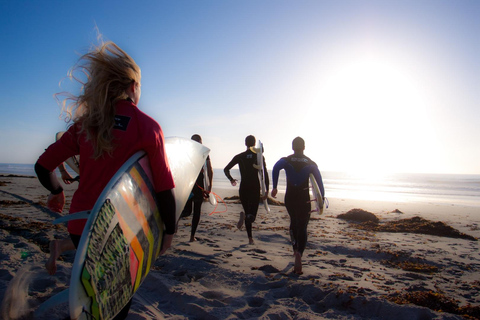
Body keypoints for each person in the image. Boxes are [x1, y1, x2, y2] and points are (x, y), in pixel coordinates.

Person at [35, 40, 176, 320]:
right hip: (120, 229)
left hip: (80, 226)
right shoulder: (147, 127)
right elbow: (163, 187)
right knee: (116, 304)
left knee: (96, 297)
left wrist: (57, 191)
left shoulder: (85, 125)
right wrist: (168, 231)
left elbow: (42, 166)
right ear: (133, 87)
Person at [271, 137, 325, 275]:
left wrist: (275, 187)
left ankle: (295, 249)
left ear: (292, 147)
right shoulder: (311, 163)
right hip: (303, 199)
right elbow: (319, 182)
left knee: (293, 222)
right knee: (303, 226)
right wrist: (321, 199)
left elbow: (276, 168)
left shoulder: (286, 160)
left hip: (290, 197)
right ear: (304, 147)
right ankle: (300, 253)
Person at [224, 135, 269, 245]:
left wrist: (231, 180)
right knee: (252, 216)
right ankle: (249, 234)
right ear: (255, 144)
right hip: (254, 188)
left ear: (245, 143)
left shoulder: (240, 156)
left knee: (248, 212)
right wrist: (266, 190)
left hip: (243, 188)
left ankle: (250, 238)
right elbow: (264, 173)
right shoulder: (259, 156)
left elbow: (226, 169)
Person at [181, 134, 213, 242]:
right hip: (195, 186)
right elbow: (210, 169)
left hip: (189, 186)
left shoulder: (186, 152)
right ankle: (191, 237)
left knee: (188, 211)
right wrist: (210, 186)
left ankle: (176, 223)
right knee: (195, 212)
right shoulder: (203, 152)